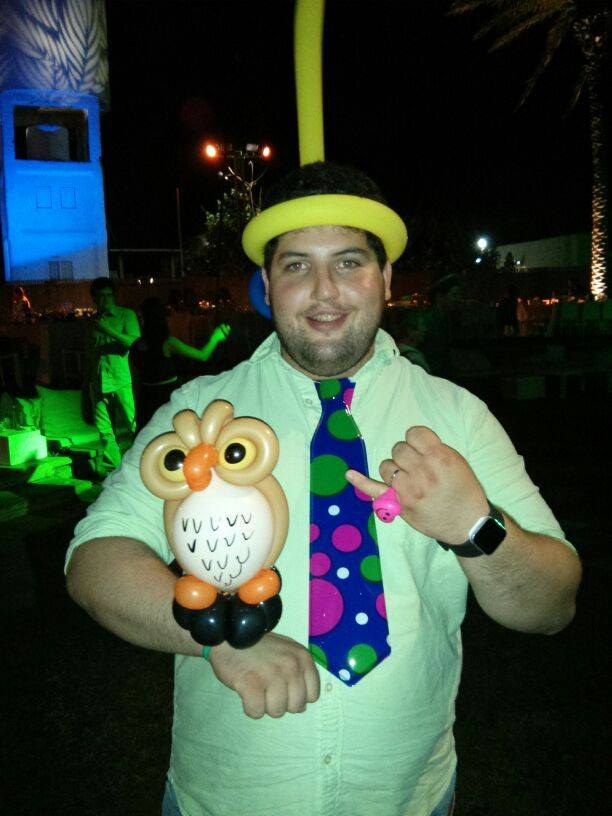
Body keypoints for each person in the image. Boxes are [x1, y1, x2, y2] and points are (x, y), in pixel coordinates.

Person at [66, 163, 581, 816]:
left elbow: (552, 606)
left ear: (386, 278)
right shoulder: (199, 412)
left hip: (407, 799)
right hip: (225, 801)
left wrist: (476, 527)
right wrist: (216, 635)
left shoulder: (458, 418)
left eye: (348, 263)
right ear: (266, 286)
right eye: (296, 266)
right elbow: (94, 559)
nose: (324, 291)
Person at [130, 297, 231, 429]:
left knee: (150, 434)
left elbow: (135, 381)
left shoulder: (135, 346)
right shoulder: (168, 343)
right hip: (167, 395)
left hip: (146, 397)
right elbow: (203, 355)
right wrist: (215, 337)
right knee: (172, 433)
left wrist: (137, 408)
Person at [85, 277, 140, 473]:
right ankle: (114, 469)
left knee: (132, 424)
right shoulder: (93, 321)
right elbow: (90, 353)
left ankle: (141, 464)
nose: (106, 300)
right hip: (98, 381)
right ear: (94, 299)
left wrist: (108, 330)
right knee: (104, 430)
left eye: (109, 295)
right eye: (101, 296)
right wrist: (87, 382)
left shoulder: (126, 315)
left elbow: (134, 343)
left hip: (121, 379)